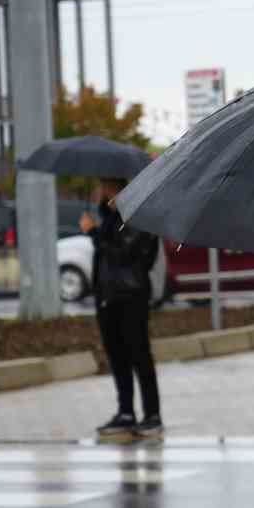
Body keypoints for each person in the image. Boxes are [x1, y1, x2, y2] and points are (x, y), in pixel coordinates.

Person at [82, 178, 164, 439]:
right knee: (116, 355)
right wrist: (102, 223)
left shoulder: (141, 216)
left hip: (131, 296)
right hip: (108, 296)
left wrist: (94, 233)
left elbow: (124, 253)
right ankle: (126, 412)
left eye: (105, 187)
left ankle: (152, 415)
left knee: (139, 354)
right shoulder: (109, 216)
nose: (101, 192)